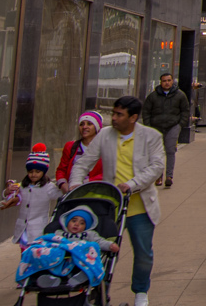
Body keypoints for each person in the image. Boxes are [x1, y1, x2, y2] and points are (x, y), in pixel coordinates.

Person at [70, 95, 164, 306]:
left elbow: (157, 167)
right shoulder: (104, 136)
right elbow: (83, 162)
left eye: (119, 114)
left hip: (140, 207)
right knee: (101, 251)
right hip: (110, 208)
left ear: (133, 117)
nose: (113, 118)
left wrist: (131, 184)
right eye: (113, 113)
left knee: (142, 252)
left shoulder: (151, 136)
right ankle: (100, 291)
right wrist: (75, 185)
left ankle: (140, 291)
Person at [1, 145, 62, 249]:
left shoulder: (48, 187)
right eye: (30, 171)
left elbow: (61, 195)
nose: (33, 174)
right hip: (22, 229)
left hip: (37, 229)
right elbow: (12, 197)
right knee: (24, 253)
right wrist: (7, 192)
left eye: (37, 172)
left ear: (44, 172)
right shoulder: (23, 186)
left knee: (35, 254)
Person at [143, 72, 190, 188]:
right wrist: (148, 127)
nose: (167, 83)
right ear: (161, 82)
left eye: (169, 80)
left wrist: (180, 125)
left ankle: (169, 176)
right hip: (156, 127)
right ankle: (158, 175)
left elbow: (185, 111)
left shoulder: (180, 95)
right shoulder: (153, 96)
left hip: (173, 126)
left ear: (172, 81)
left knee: (170, 150)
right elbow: (146, 112)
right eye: (164, 81)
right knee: (157, 152)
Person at [54, 111, 105, 189]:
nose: (84, 127)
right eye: (82, 124)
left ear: (97, 127)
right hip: (72, 192)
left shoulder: (105, 148)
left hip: (95, 192)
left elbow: (107, 174)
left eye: (89, 124)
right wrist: (63, 185)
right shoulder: (70, 146)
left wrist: (84, 183)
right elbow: (61, 170)